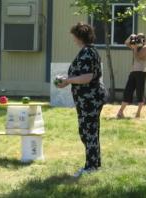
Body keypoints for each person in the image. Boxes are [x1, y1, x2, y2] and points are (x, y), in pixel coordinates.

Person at [57, 22, 108, 177]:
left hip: (89, 99)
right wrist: (68, 80)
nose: (73, 39)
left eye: (74, 36)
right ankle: (94, 164)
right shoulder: (90, 51)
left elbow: (87, 77)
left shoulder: (87, 52)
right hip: (88, 99)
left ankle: (91, 167)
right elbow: (84, 75)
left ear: (79, 36)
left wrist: (68, 80)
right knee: (89, 131)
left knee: (88, 132)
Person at [117, 33, 146, 118]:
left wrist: (135, 48)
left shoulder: (145, 48)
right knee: (127, 91)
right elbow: (126, 42)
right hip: (133, 72)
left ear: (144, 40)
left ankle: (138, 113)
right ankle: (120, 112)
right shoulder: (135, 47)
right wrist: (132, 36)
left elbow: (138, 57)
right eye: (137, 38)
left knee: (140, 93)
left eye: (140, 38)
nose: (138, 40)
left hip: (141, 72)